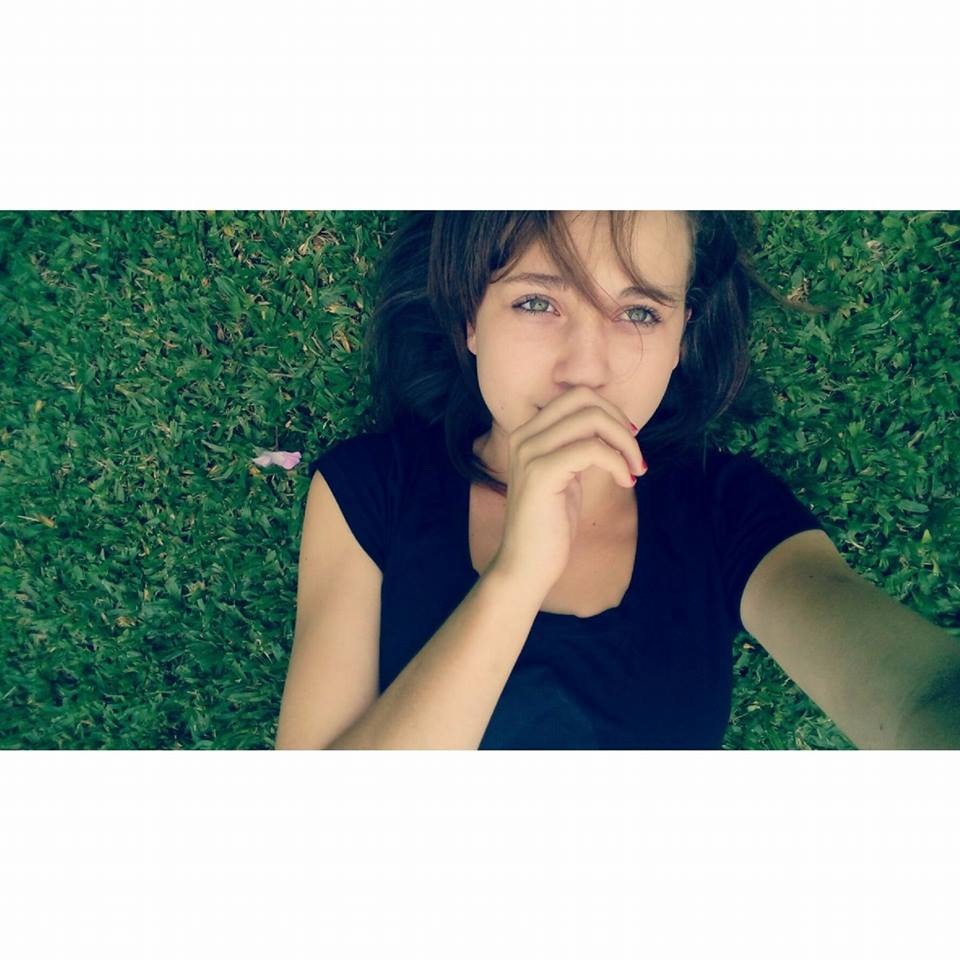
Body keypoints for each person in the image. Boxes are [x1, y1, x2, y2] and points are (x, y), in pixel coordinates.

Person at [274, 212, 958, 750]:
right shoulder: (370, 491)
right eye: (537, 302)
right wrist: (516, 579)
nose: (586, 369)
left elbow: (924, 697)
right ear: (469, 317)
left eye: (639, 313)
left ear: (680, 338)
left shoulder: (727, 514)